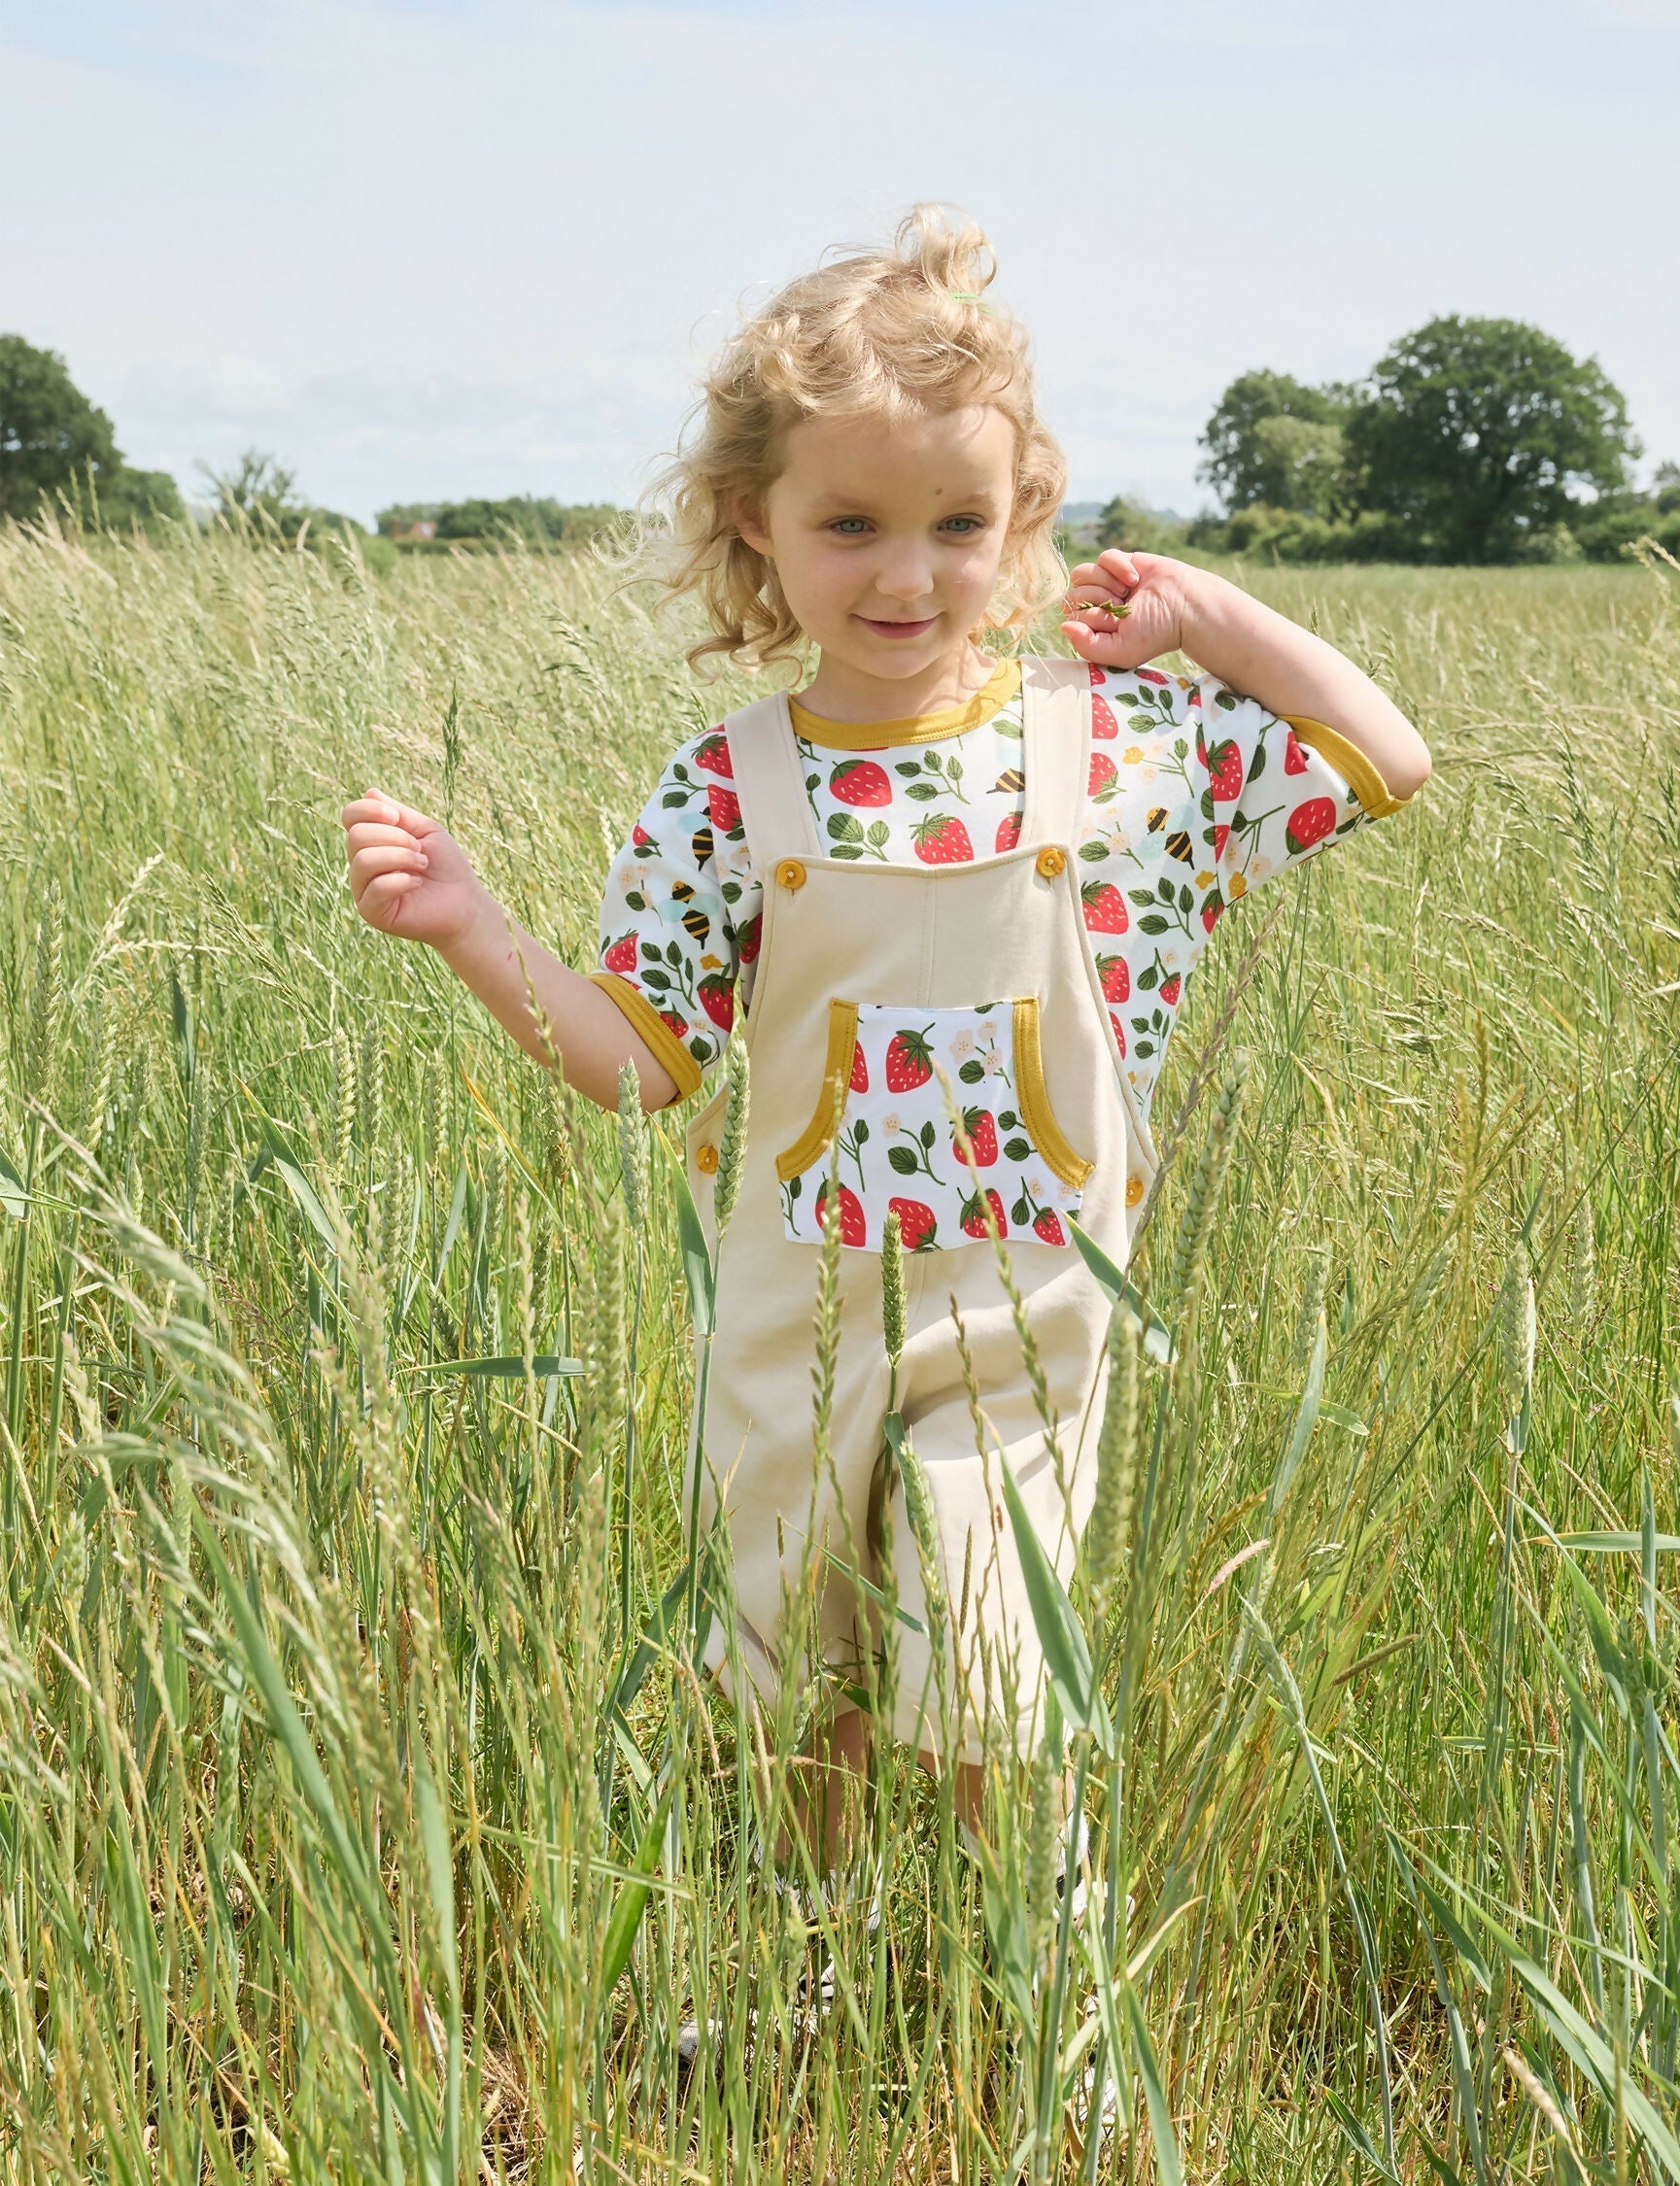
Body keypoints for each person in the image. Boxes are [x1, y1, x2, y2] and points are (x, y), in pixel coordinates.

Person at [340, 205, 1429, 1886]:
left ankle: (1039, 1996)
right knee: (791, 1680)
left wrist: (1210, 617)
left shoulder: (1117, 751)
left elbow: (1384, 755)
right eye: (849, 522)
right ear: (753, 524)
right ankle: (803, 1973)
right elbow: (636, 1065)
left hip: (1025, 1320)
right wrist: (478, 929)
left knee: (1000, 1670)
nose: (907, 573)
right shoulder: (726, 789)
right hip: (796, 1323)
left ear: (1024, 523)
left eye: (957, 522)